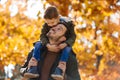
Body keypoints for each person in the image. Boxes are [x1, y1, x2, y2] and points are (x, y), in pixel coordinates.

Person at [21, 6, 81, 80]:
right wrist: (27, 69)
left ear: (63, 38)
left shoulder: (70, 58)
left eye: (59, 29)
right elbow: (21, 70)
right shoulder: (36, 51)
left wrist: (64, 77)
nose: (53, 27)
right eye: (52, 26)